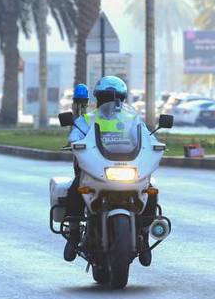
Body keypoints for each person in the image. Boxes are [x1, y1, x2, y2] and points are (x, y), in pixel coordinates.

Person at [63, 76, 153, 264]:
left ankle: (144, 236)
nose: (111, 102)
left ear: (122, 99)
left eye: (116, 97)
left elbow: (147, 138)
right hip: (96, 169)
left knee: (150, 191)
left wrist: (155, 145)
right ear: (98, 99)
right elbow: (74, 137)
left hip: (127, 166)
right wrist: (75, 142)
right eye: (105, 97)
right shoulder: (87, 119)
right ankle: (73, 234)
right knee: (74, 191)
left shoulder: (132, 120)